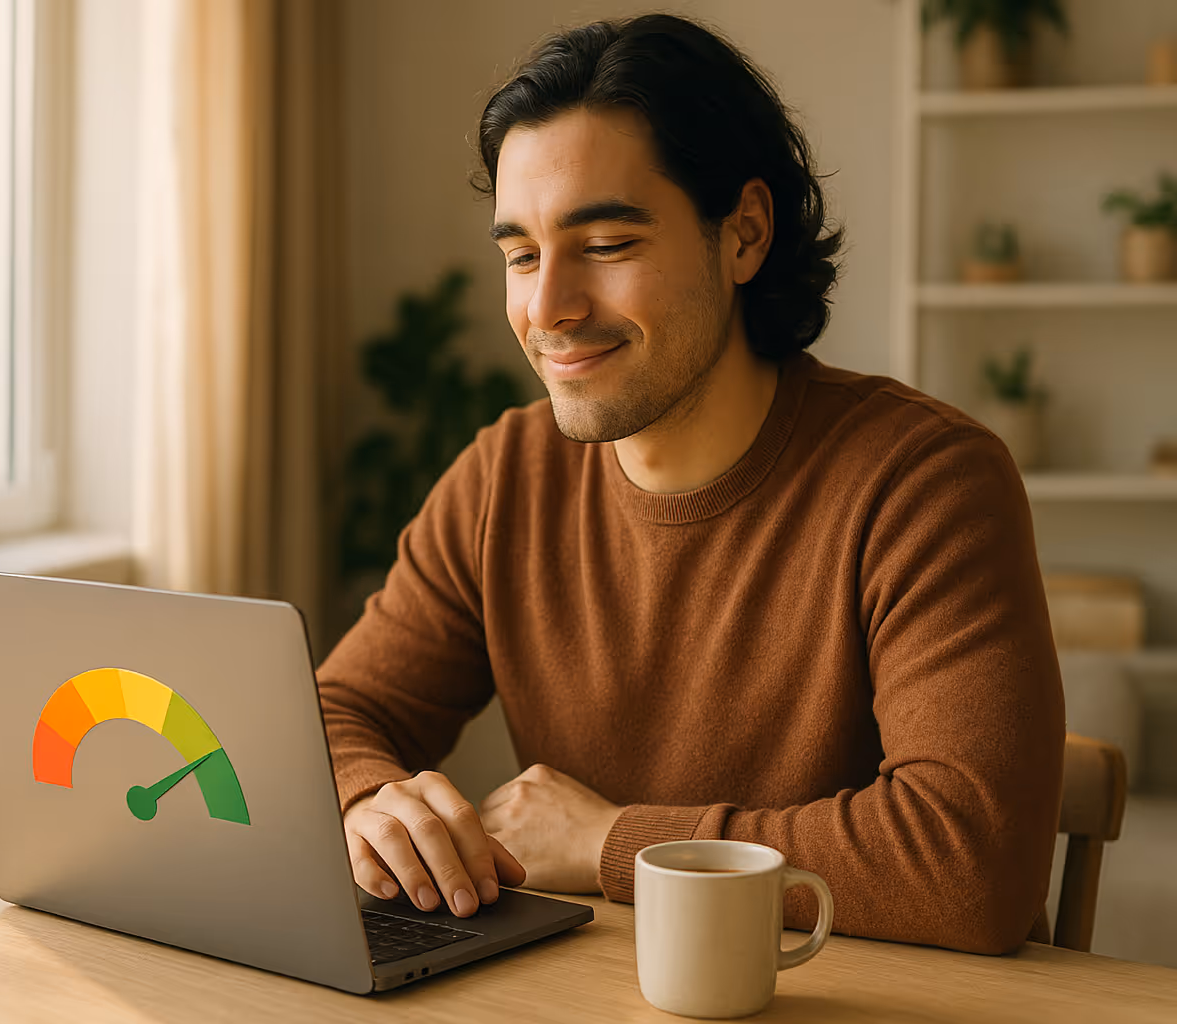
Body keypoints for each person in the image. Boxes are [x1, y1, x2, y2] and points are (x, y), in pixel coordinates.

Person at [317, 13, 1064, 955]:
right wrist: (367, 802)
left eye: (608, 244)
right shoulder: (506, 476)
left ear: (744, 234)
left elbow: (971, 865)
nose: (548, 308)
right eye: (520, 255)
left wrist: (611, 842)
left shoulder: (924, 484)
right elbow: (337, 711)